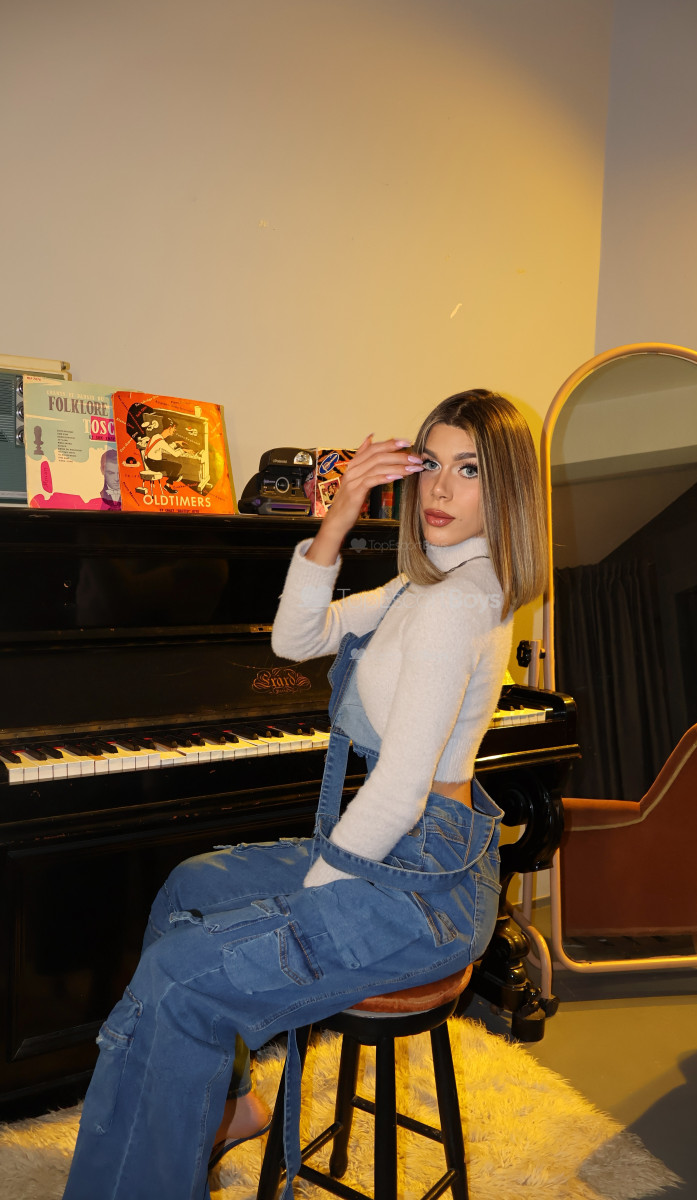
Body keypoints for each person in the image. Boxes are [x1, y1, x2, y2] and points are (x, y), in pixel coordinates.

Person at [62, 388, 546, 1200]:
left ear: (508, 492)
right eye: (431, 464)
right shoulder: (420, 587)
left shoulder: (456, 606)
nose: (439, 490)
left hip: (425, 889)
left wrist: (302, 906)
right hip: (405, 855)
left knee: (181, 977)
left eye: (470, 471)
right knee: (188, 887)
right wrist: (340, 512)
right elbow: (296, 641)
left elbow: (398, 791)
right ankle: (228, 1108)